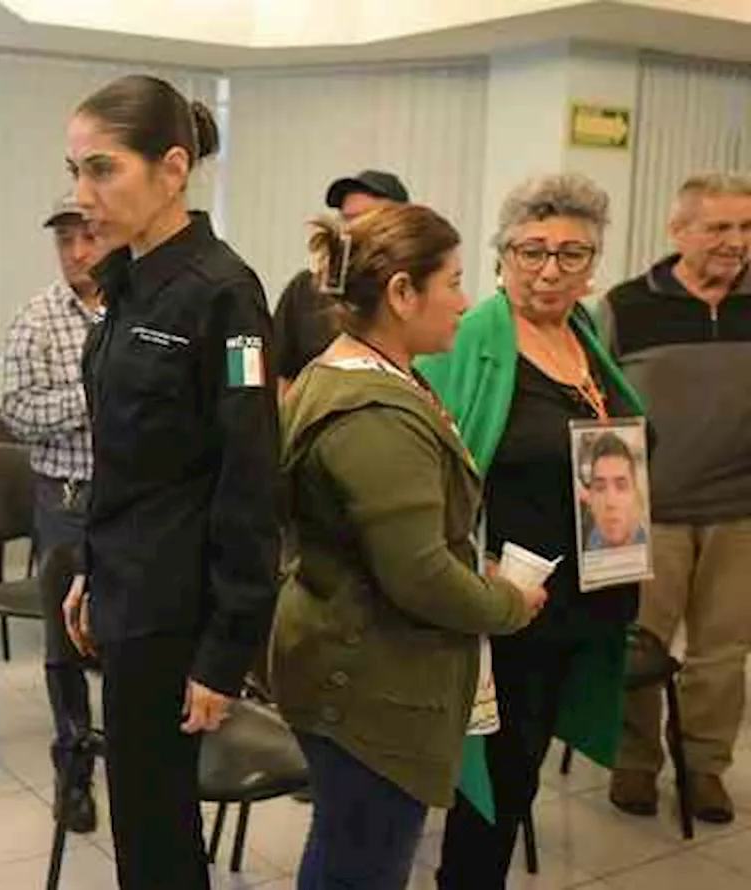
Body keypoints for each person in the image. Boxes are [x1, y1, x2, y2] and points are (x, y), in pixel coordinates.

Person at [271, 204, 545, 890]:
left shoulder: (354, 374)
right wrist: (508, 603)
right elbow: (418, 575)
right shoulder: (372, 413)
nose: (464, 300)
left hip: (348, 656)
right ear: (401, 292)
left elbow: (398, 538)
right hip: (367, 681)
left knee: (346, 846)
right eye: (452, 281)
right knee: (362, 862)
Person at [60, 74, 279, 889]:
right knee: (145, 818)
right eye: (76, 170)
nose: (83, 194)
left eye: (103, 170)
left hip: (178, 605)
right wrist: (90, 565)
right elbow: (122, 458)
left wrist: (227, 652)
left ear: (174, 167)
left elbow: (250, 478)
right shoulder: (128, 280)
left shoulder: (224, 295)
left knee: (158, 831)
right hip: (126, 584)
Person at [419, 173, 647, 888]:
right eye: (532, 251)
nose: (550, 270)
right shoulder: (465, 342)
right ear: (502, 255)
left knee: (519, 778)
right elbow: (424, 479)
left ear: (593, 264)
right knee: (493, 780)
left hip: (585, 594)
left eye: (572, 254)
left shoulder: (585, 336)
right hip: (508, 605)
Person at [603, 172, 751, 823]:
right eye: (719, 227)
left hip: (740, 513)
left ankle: (705, 768)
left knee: (722, 654)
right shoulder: (629, 304)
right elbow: (596, 402)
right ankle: (634, 764)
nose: (736, 242)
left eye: (746, 229)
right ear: (678, 230)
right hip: (646, 513)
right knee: (638, 647)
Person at [0, 193, 105, 833]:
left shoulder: (144, 312)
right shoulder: (37, 319)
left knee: (131, 640)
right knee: (66, 645)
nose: (75, 252)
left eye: (86, 237)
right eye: (63, 240)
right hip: (67, 499)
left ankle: (137, 761)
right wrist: (99, 394)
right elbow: (17, 412)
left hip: (138, 502)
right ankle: (75, 774)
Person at [272, 170, 410, 394]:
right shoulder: (306, 290)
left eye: (365, 218)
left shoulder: (413, 296)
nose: (351, 230)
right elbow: (282, 378)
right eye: (346, 219)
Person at [583, 432, 646, 550]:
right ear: (591, 497)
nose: (610, 502)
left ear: (636, 495)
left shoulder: (653, 551)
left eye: (621, 486)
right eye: (600, 488)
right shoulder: (590, 543)